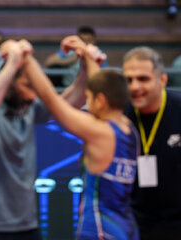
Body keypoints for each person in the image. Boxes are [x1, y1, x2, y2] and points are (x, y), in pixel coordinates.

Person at [0, 37, 88, 239]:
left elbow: (70, 103)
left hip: (26, 225)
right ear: (9, 79)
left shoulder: (27, 108)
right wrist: (13, 61)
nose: (33, 95)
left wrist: (87, 66)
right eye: (27, 85)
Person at [15, 37, 139, 239]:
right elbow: (103, 87)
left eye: (88, 98)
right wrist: (87, 58)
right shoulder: (128, 129)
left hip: (99, 230)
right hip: (126, 227)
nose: (86, 104)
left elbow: (53, 103)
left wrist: (26, 60)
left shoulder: (100, 131)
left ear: (100, 100)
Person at [123, 47, 181, 240]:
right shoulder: (119, 115)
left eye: (143, 79)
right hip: (134, 224)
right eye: (128, 80)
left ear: (162, 80)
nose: (134, 86)